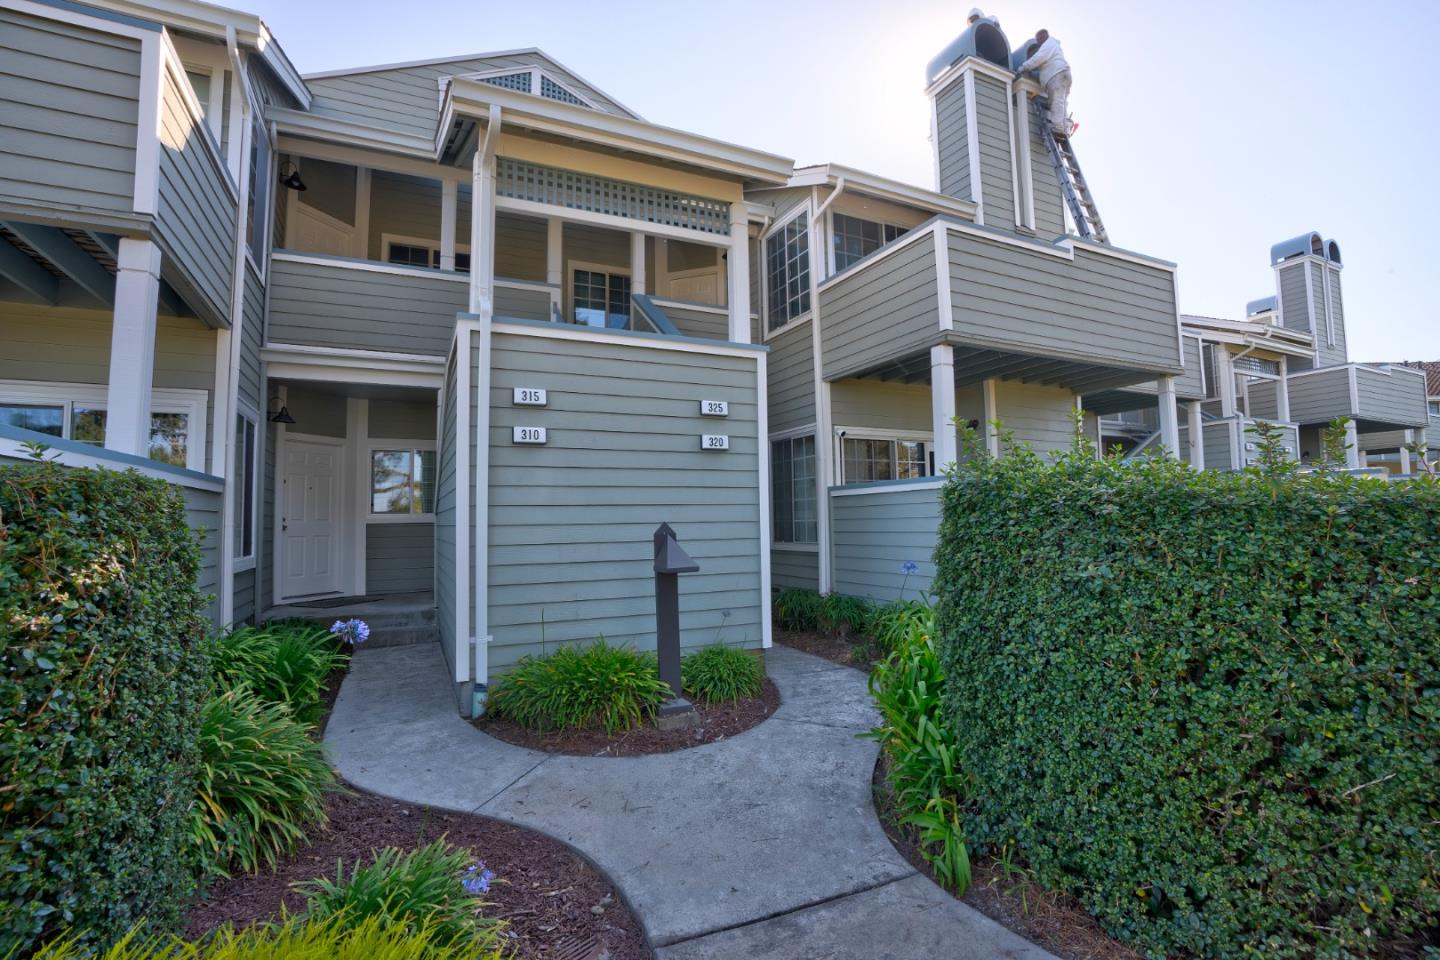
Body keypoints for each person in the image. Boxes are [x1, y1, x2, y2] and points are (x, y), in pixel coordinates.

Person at [1017, 29, 1074, 137]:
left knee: (1057, 100)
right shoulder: (1055, 47)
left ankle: (1058, 127)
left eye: (1039, 39)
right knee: (1062, 102)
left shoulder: (1049, 44)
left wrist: (1023, 67)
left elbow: (1038, 58)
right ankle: (1066, 127)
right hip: (1064, 74)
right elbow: (1045, 65)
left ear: (1045, 36)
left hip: (1056, 74)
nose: (1038, 42)